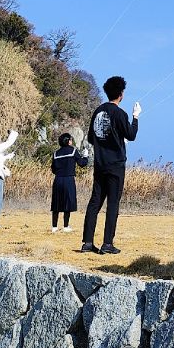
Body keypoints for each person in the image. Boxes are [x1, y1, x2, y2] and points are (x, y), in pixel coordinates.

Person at [81, 75, 140, 255]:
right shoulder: (119, 113)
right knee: (113, 204)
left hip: (100, 164)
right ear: (121, 94)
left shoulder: (98, 111)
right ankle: (107, 243)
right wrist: (135, 117)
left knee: (95, 202)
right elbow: (131, 134)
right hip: (115, 164)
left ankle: (87, 242)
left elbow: (92, 137)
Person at [50, 132, 89, 233]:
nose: (72, 141)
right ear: (68, 141)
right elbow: (82, 163)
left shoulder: (56, 153)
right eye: (71, 139)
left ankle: (54, 227)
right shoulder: (73, 151)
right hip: (68, 179)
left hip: (57, 179)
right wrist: (85, 156)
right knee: (68, 202)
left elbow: (53, 169)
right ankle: (66, 226)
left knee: (56, 203)